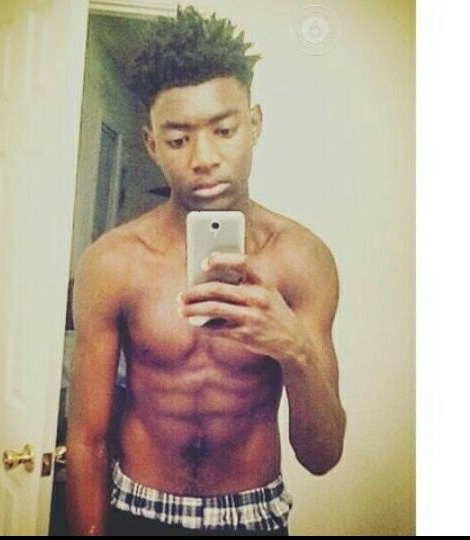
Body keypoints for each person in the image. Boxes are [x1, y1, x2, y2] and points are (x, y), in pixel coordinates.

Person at [66, 6, 346, 536]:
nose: (204, 157)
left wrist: (294, 349)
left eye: (224, 130)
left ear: (254, 124)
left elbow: (323, 455)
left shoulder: (301, 258)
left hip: (253, 516)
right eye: (178, 139)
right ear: (151, 144)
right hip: (140, 511)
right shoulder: (113, 261)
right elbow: (86, 440)